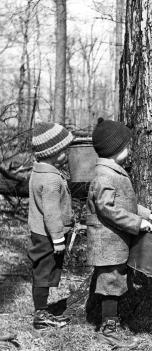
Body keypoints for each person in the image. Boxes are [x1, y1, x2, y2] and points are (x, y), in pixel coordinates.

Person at [86, 117, 152, 347]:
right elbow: (108, 209)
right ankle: (108, 330)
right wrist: (137, 223)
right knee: (111, 283)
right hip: (107, 242)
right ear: (115, 149)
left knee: (115, 282)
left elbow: (124, 203)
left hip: (115, 241)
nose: (129, 150)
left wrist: (145, 214)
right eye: (126, 146)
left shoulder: (113, 172)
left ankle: (110, 325)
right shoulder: (105, 176)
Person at [28, 122, 74, 329]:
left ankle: (42, 311)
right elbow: (51, 213)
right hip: (47, 235)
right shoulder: (51, 180)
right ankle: (41, 314)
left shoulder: (38, 172)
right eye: (64, 150)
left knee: (42, 271)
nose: (67, 153)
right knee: (44, 273)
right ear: (55, 153)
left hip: (39, 232)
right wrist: (58, 239)